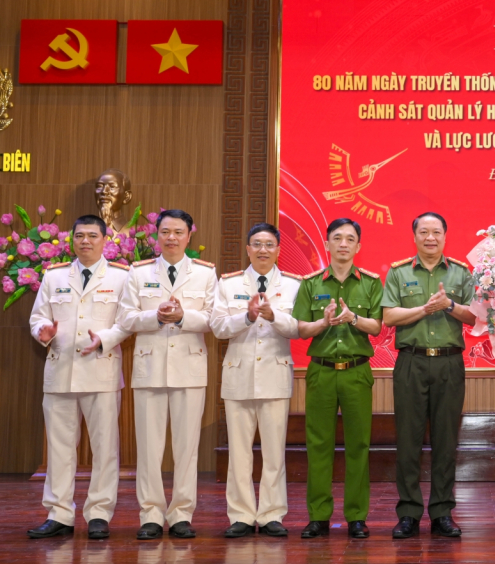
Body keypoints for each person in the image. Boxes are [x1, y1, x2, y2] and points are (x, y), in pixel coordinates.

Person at [27, 215, 132, 539]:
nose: (85, 241)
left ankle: (99, 513)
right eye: (79, 236)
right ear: (71, 240)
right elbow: (38, 316)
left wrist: (106, 338)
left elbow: (127, 321)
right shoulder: (54, 275)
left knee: (105, 447)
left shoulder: (120, 277)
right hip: (61, 371)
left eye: (92, 236)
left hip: (101, 370)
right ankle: (59, 514)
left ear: (105, 241)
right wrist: (42, 332)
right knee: (59, 448)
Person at [118, 209, 216, 540]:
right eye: (165, 232)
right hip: (150, 368)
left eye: (178, 232)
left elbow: (213, 319)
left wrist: (183, 316)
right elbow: (126, 318)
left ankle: (181, 514)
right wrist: (156, 317)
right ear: (156, 235)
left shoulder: (205, 273)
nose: (171, 237)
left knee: (187, 447)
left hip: (189, 368)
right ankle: (150, 514)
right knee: (148, 447)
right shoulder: (138, 272)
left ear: (190, 235)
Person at [382, 212, 476, 539]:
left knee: (446, 441)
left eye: (436, 232)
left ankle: (442, 512)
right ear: (415, 236)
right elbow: (389, 316)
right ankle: (408, 513)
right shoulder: (399, 272)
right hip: (411, 361)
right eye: (424, 232)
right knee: (408, 441)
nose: (430, 238)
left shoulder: (461, 273)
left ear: (445, 236)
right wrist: (424, 309)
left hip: (449, 363)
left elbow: (475, 317)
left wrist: (448, 305)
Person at [210, 223, 302, 538]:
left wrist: (274, 316)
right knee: (239, 452)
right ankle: (241, 515)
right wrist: (247, 317)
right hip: (238, 375)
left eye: (269, 244)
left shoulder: (293, 285)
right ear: (248, 249)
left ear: (278, 250)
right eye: (257, 244)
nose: (263, 250)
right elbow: (218, 327)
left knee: (274, 452)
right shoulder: (228, 283)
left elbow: (299, 328)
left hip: (275, 375)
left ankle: (272, 513)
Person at [292, 218, 382, 539]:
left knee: (359, 445)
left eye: (350, 239)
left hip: (357, 372)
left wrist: (353, 318)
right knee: (318, 445)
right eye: (337, 238)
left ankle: (356, 516)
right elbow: (301, 329)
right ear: (327, 244)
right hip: (322, 372)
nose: (343, 244)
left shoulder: (371, 283)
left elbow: (377, 326)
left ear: (359, 246)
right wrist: (324, 323)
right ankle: (318, 516)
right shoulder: (311, 284)